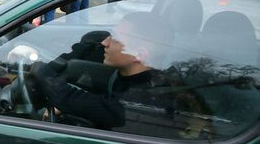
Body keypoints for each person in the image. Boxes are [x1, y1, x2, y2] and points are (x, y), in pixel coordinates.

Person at [31, 11, 175, 130]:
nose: (105, 42)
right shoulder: (135, 77)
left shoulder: (134, 104)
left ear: (139, 54)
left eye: (115, 38)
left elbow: (68, 97)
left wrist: (32, 61)